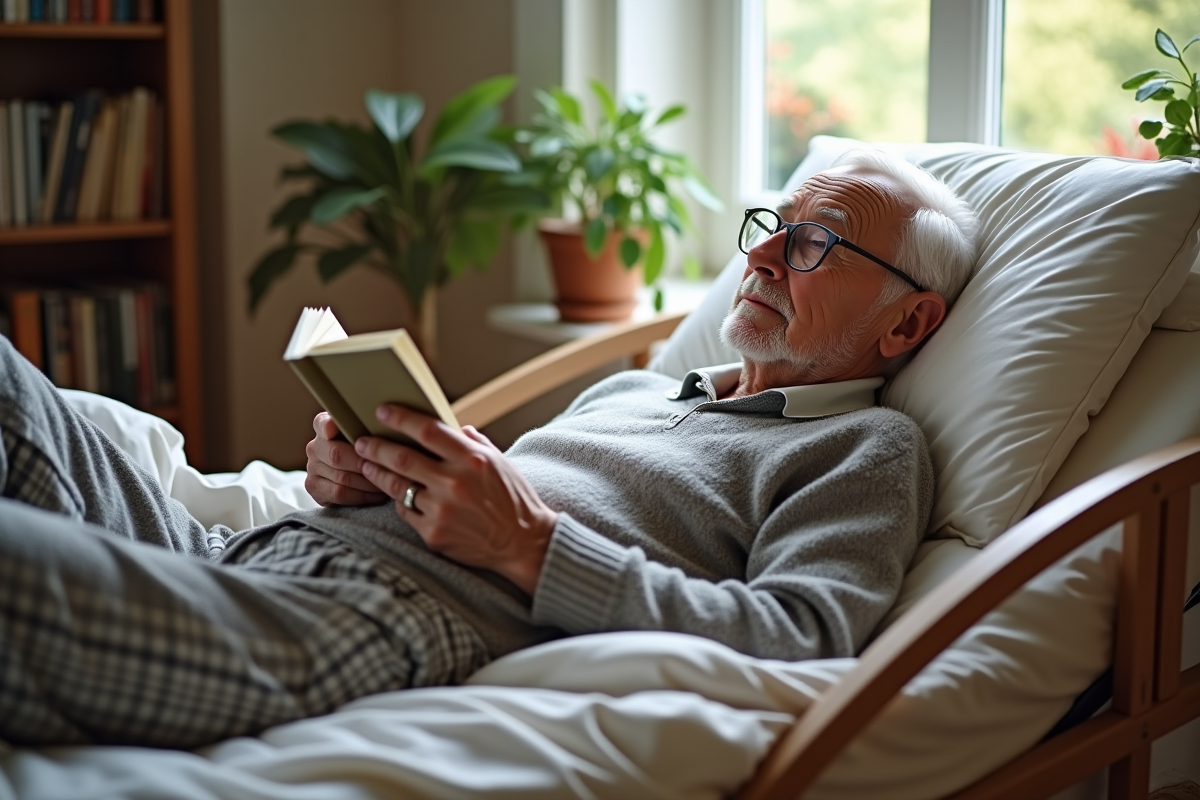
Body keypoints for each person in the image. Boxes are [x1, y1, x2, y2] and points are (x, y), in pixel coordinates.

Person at [0, 149, 979, 749]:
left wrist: (533, 547)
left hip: (377, 615)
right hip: (246, 551)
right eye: (771, 228)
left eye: (816, 245)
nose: (760, 256)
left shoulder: (865, 448)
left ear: (907, 325)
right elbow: (466, 507)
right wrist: (348, 477)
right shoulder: (633, 388)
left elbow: (801, 636)